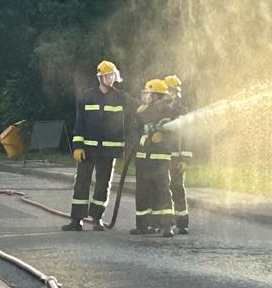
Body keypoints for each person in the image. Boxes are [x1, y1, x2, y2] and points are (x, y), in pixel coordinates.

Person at [62, 60, 132, 232]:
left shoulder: (121, 97)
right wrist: (78, 145)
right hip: (88, 149)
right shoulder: (87, 96)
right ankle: (76, 219)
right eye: (106, 76)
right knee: (81, 183)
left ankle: (96, 218)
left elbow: (137, 111)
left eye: (111, 75)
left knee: (103, 185)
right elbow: (80, 123)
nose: (109, 79)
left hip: (108, 150)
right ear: (99, 78)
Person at [131, 78, 176, 237]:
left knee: (162, 191)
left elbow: (172, 133)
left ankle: (167, 225)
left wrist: (162, 135)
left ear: (156, 95)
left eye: (148, 93)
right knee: (142, 192)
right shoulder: (141, 111)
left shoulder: (166, 111)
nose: (146, 96)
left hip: (160, 160)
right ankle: (142, 225)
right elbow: (135, 132)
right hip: (143, 159)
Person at [163, 75, 191, 234]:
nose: (169, 94)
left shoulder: (182, 113)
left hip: (176, 158)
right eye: (167, 91)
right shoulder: (158, 109)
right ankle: (165, 221)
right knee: (162, 188)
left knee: (177, 187)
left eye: (171, 91)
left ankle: (182, 221)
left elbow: (187, 138)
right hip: (161, 157)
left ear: (176, 93)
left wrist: (185, 159)